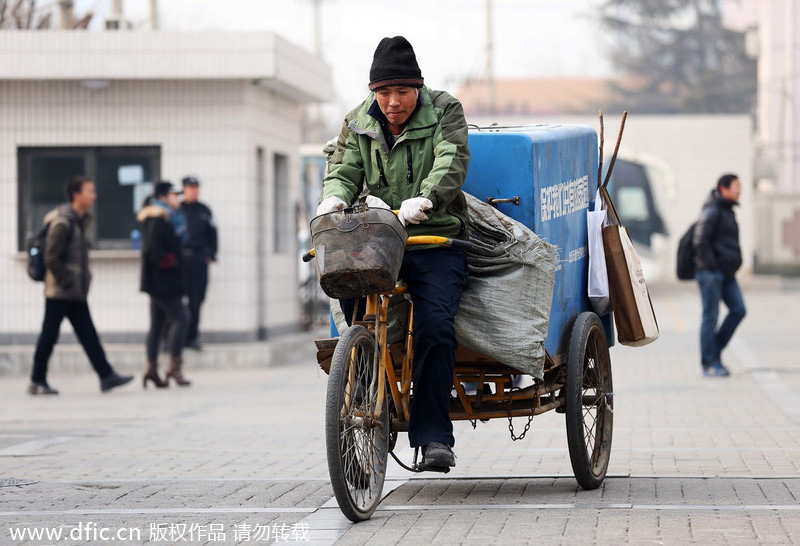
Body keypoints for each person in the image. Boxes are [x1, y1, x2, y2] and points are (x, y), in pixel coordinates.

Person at [317, 36, 470, 470]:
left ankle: (434, 438)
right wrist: (334, 197)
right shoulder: (357, 121)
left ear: (417, 88)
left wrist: (426, 198)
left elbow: (451, 158)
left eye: (401, 91)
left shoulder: (444, 110)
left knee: (436, 327)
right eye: (383, 93)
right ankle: (370, 405)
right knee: (353, 307)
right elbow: (344, 169)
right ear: (373, 93)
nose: (393, 102)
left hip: (434, 237)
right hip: (379, 239)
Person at [29, 176, 134, 395]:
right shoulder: (63, 222)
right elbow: (50, 257)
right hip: (60, 291)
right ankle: (37, 380)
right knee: (49, 336)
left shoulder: (78, 220)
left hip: (73, 291)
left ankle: (106, 376)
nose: (94, 195)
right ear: (76, 195)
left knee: (88, 334)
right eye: (90, 191)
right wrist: (67, 279)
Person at [138, 181, 191, 387]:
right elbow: (154, 250)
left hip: (159, 282)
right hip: (164, 282)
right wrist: (172, 261)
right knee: (181, 319)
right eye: (174, 194)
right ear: (163, 197)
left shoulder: (166, 217)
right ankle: (173, 367)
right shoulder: (157, 218)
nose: (177, 198)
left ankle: (151, 370)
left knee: (157, 325)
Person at [693, 173, 746, 377]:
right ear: (723, 189)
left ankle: (713, 352)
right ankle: (709, 363)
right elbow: (700, 240)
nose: (739, 190)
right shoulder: (713, 210)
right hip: (711, 273)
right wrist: (713, 267)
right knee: (710, 317)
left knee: (739, 309)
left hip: (726, 273)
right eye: (736, 186)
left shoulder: (728, 210)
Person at [179, 175, 218, 350]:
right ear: (184, 190)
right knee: (175, 302)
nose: (193, 191)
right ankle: (172, 338)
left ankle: (192, 337)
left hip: (198, 260)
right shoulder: (177, 210)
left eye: (195, 188)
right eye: (189, 188)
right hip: (180, 262)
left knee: (196, 301)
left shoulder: (204, 210)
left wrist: (211, 254)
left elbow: (213, 234)